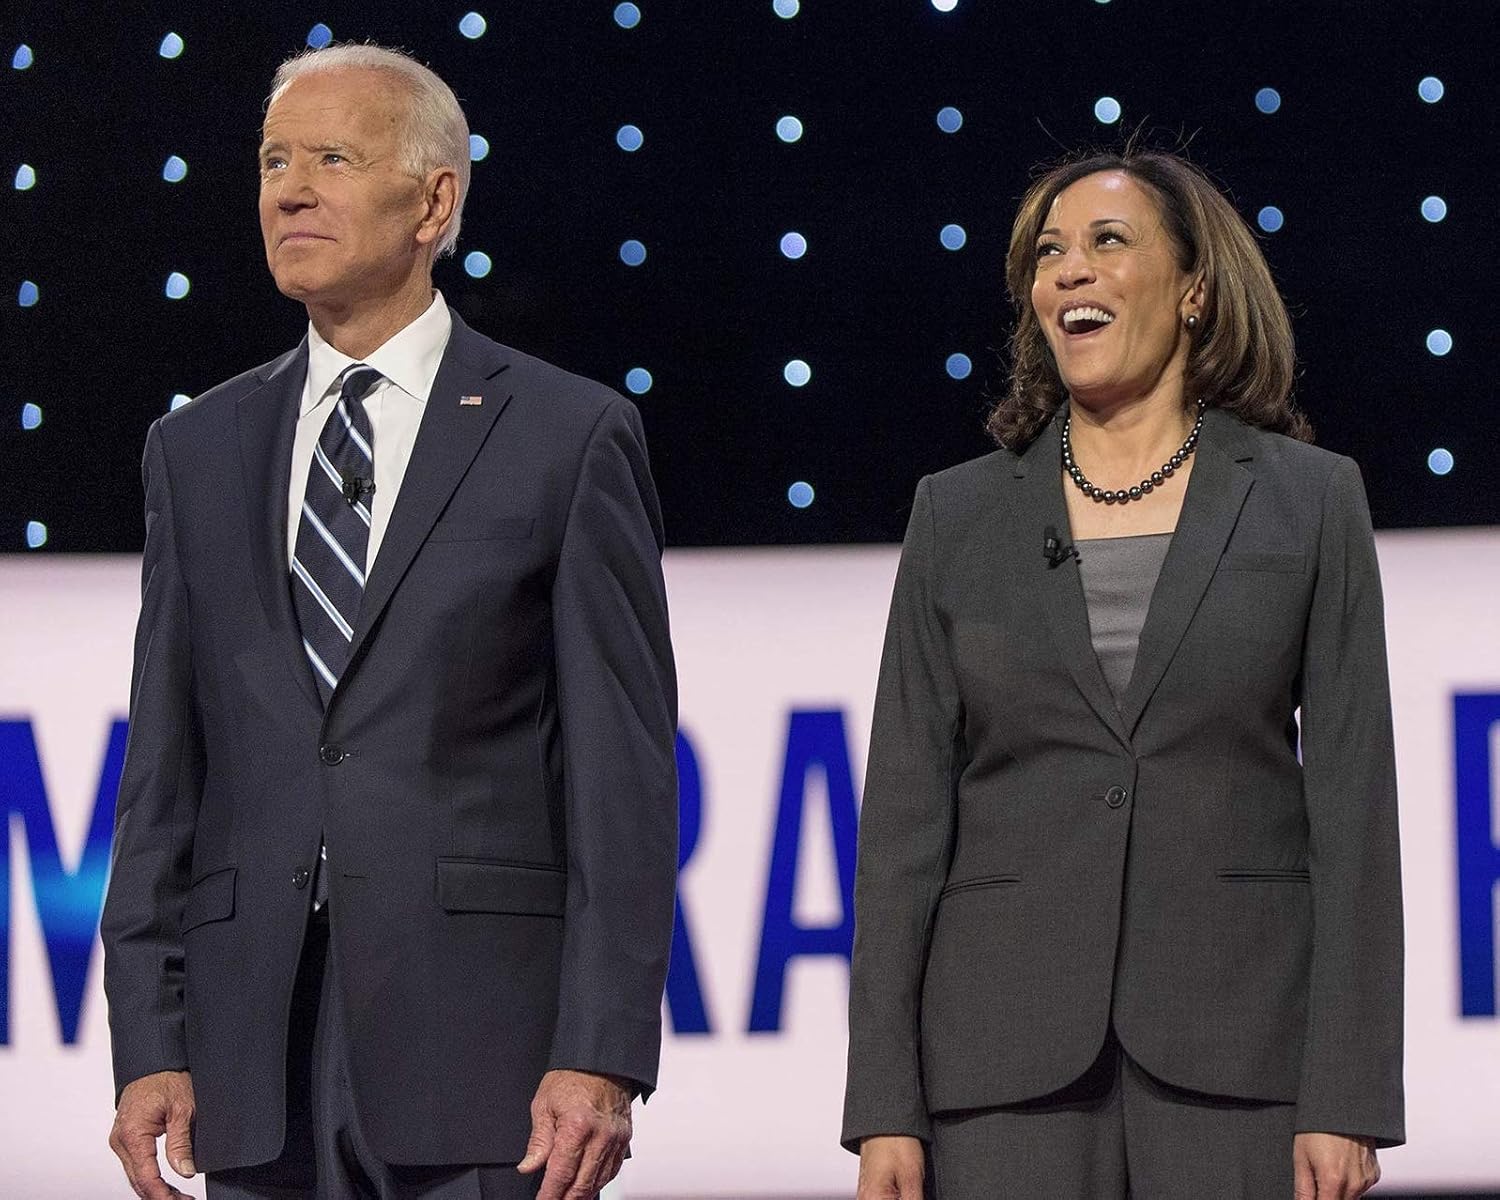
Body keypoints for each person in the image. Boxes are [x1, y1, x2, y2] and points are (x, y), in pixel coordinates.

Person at [100, 43, 678, 1200]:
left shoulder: (567, 435)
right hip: (252, 1056)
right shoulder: (196, 450)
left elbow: (623, 776)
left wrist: (601, 1051)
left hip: (488, 1059)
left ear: (435, 199)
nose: (289, 188)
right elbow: (164, 770)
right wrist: (151, 1040)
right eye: (273, 161)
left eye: (331, 157)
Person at [843, 148, 1403, 1199]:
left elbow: (1355, 816)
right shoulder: (956, 515)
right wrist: (883, 1107)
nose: (1070, 273)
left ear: (1194, 291)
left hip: (1242, 1063)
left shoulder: (1309, 502)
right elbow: (903, 827)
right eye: (1049, 255)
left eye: (1108, 243)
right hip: (1000, 1073)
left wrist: (1348, 1095)